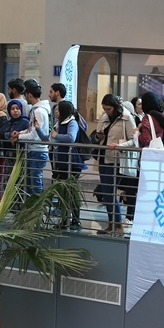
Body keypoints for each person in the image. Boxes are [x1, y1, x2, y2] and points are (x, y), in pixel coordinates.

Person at [95, 94, 137, 235]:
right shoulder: (104, 117)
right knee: (106, 193)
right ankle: (112, 224)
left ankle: (117, 224)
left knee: (110, 192)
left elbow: (133, 141)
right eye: (104, 109)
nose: (107, 111)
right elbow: (99, 134)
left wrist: (119, 145)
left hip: (118, 159)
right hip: (104, 157)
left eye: (109, 109)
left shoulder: (127, 118)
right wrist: (98, 136)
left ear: (115, 107)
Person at [51, 100, 87, 231]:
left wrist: (57, 135)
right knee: (63, 192)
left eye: (58, 109)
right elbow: (50, 137)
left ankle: (75, 220)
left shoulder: (72, 122)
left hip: (72, 163)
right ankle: (64, 220)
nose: (56, 111)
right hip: (62, 163)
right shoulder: (59, 123)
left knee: (72, 192)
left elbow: (71, 137)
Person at [11, 79, 50, 198]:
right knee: (31, 185)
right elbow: (31, 129)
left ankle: (36, 212)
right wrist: (20, 133)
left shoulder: (38, 111)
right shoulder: (36, 110)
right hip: (34, 150)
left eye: (25, 94)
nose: (25, 97)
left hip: (37, 151)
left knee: (35, 186)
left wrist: (19, 137)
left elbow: (34, 135)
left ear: (30, 95)